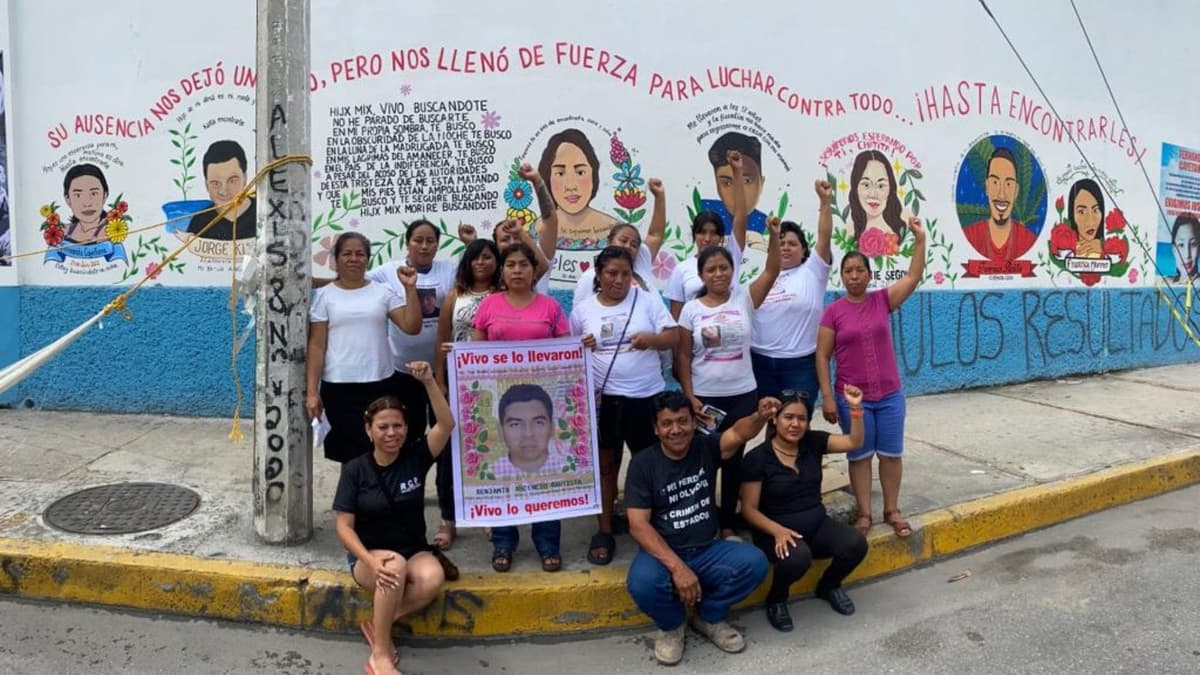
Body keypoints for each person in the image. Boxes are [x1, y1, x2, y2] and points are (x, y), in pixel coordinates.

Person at [624, 392, 775, 666]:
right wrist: (677, 568)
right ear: (655, 429)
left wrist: (760, 416)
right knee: (642, 583)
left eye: (683, 421)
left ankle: (708, 617)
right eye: (667, 424)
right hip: (664, 551)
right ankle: (672, 626)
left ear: (694, 423)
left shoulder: (705, 447)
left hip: (707, 548)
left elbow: (739, 433)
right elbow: (638, 525)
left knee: (754, 563)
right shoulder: (643, 464)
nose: (676, 430)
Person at [333, 362, 455, 675]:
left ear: (406, 428)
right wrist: (369, 561)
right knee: (392, 568)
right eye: (383, 427)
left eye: (397, 426)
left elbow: (446, 424)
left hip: (412, 549)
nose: (391, 433)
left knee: (431, 578)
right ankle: (381, 654)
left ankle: (378, 623)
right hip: (369, 556)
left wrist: (429, 381)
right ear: (369, 430)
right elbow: (344, 527)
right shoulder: (355, 469)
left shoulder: (416, 456)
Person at [817, 217, 926, 539]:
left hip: (890, 395)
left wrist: (920, 239)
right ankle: (864, 515)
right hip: (853, 399)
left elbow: (913, 275)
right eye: (848, 271)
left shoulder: (882, 300)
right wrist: (826, 397)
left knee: (891, 454)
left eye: (859, 270)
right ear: (842, 276)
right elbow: (822, 355)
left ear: (869, 274)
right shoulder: (833, 311)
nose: (854, 276)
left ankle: (891, 510)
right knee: (860, 455)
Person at [572, 246, 677, 565]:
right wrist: (582, 345)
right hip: (606, 401)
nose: (619, 280)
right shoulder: (583, 310)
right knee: (606, 466)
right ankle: (604, 530)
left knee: (652, 464)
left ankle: (656, 525)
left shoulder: (646, 299)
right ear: (598, 274)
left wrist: (652, 340)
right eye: (612, 273)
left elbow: (673, 337)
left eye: (626, 274)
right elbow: (569, 352)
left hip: (646, 397)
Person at [676, 218, 781, 540]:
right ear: (702, 275)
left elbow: (772, 270)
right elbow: (682, 356)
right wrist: (690, 397)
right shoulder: (690, 310)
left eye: (724, 268)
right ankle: (703, 520)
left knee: (735, 460)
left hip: (743, 395)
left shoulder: (744, 300)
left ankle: (727, 523)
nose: (719, 274)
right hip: (706, 398)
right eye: (711, 270)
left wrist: (774, 235)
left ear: (732, 270)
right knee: (705, 460)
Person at [473, 241, 571, 572]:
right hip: (501, 404)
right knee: (504, 471)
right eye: (511, 264)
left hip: (542, 400)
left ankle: (547, 544)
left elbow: (566, 353)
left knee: (546, 471)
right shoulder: (488, 305)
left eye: (524, 264)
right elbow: (476, 354)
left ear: (534, 271)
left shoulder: (551, 307)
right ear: (502, 270)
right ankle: (503, 542)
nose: (517, 270)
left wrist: (581, 347)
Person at [740, 386, 868, 632]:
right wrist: (777, 531)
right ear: (775, 419)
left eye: (802, 418)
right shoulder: (757, 458)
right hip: (774, 532)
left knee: (856, 543)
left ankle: (829, 586)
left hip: (816, 525)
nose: (795, 424)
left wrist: (855, 408)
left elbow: (854, 441)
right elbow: (749, 510)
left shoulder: (813, 442)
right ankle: (777, 599)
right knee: (798, 557)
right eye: (788, 417)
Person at [306, 233, 421, 463]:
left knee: (381, 449)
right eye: (347, 253)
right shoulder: (324, 296)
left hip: (380, 383)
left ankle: (378, 498)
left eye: (360, 254)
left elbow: (412, 326)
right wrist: (311, 391)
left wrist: (409, 289)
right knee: (349, 454)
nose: (354, 259)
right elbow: (317, 345)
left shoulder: (383, 292)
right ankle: (350, 499)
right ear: (336, 259)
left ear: (367, 259)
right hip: (339, 386)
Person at [751, 180, 834, 405]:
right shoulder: (758, 280)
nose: (785, 247)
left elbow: (824, 236)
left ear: (804, 250)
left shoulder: (813, 272)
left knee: (795, 425)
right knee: (772, 422)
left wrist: (825, 201)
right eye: (780, 242)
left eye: (792, 243)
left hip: (800, 365)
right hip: (759, 362)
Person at [666, 151, 750, 319]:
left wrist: (737, 172)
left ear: (721, 237)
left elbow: (741, 214)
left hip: (733, 335)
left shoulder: (731, 256)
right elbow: (676, 319)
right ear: (694, 235)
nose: (707, 238)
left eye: (713, 233)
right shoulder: (681, 270)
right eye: (702, 232)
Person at [572, 177, 668, 310]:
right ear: (609, 242)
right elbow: (579, 317)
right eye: (623, 240)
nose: (628, 246)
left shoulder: (641, 261)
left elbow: (655, 235)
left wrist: (659, 196)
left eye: (634, 244)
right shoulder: (590, 278)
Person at [435, 238, 501, 390]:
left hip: (495, 371)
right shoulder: (455, 296)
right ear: (467, 263)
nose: (480, 262)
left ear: (497, 262)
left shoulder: (504, 294)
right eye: (475, 258)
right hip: (458, 372)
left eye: (486, 257)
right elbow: (441, 339)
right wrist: (439, 380)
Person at [537, 128, 616, 248]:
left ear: (593, 174)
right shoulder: (535, 230)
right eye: (560, 174)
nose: (571, 186)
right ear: (547, 177)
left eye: (580, 173)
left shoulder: (617, 232)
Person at [962, 147, 1038, 262]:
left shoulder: (1029, 240)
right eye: (995, 182)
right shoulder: (970, 236)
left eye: (1008, 184)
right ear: (987, 186)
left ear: (1016, 191)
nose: (1001, 194)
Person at [700, 131, 770, 252]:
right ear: (717, 185)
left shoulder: (766, 225)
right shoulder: (704, 212)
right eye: (726, 183)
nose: (737, 193)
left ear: (762, 183)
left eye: (746, 181)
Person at [185, 140, 256, 241]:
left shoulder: (263, 212)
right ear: (206, 185)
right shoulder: (199, 223)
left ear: (245, 178)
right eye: (215, 183)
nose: (223, 191)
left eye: (232, 181)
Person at [848, 149, 907, 241]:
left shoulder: (905, 232)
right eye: (866, 185)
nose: (873, 194)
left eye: (880, 186)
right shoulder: (848, 234)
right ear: (855, 187)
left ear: (891, 189)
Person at [62, 163, 110, 244]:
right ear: (68, 200)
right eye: (78, 195)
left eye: (94, 194)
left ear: (104, 196)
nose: (87, 203)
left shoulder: (112, 231)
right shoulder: (62, 232)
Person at [1067, 178, 1105, 259]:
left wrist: (1104, 249)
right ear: (1072, 214)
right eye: (1081, 212)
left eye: (1095, 210)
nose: (1090, 222)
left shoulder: (1108, 252)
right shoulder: (1066, 252)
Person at [1170, 214, 1200, 283]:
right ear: (1173, 249)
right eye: (1181, 245)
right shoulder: (1166, 282)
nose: (1187, 255)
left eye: (1193, 244)